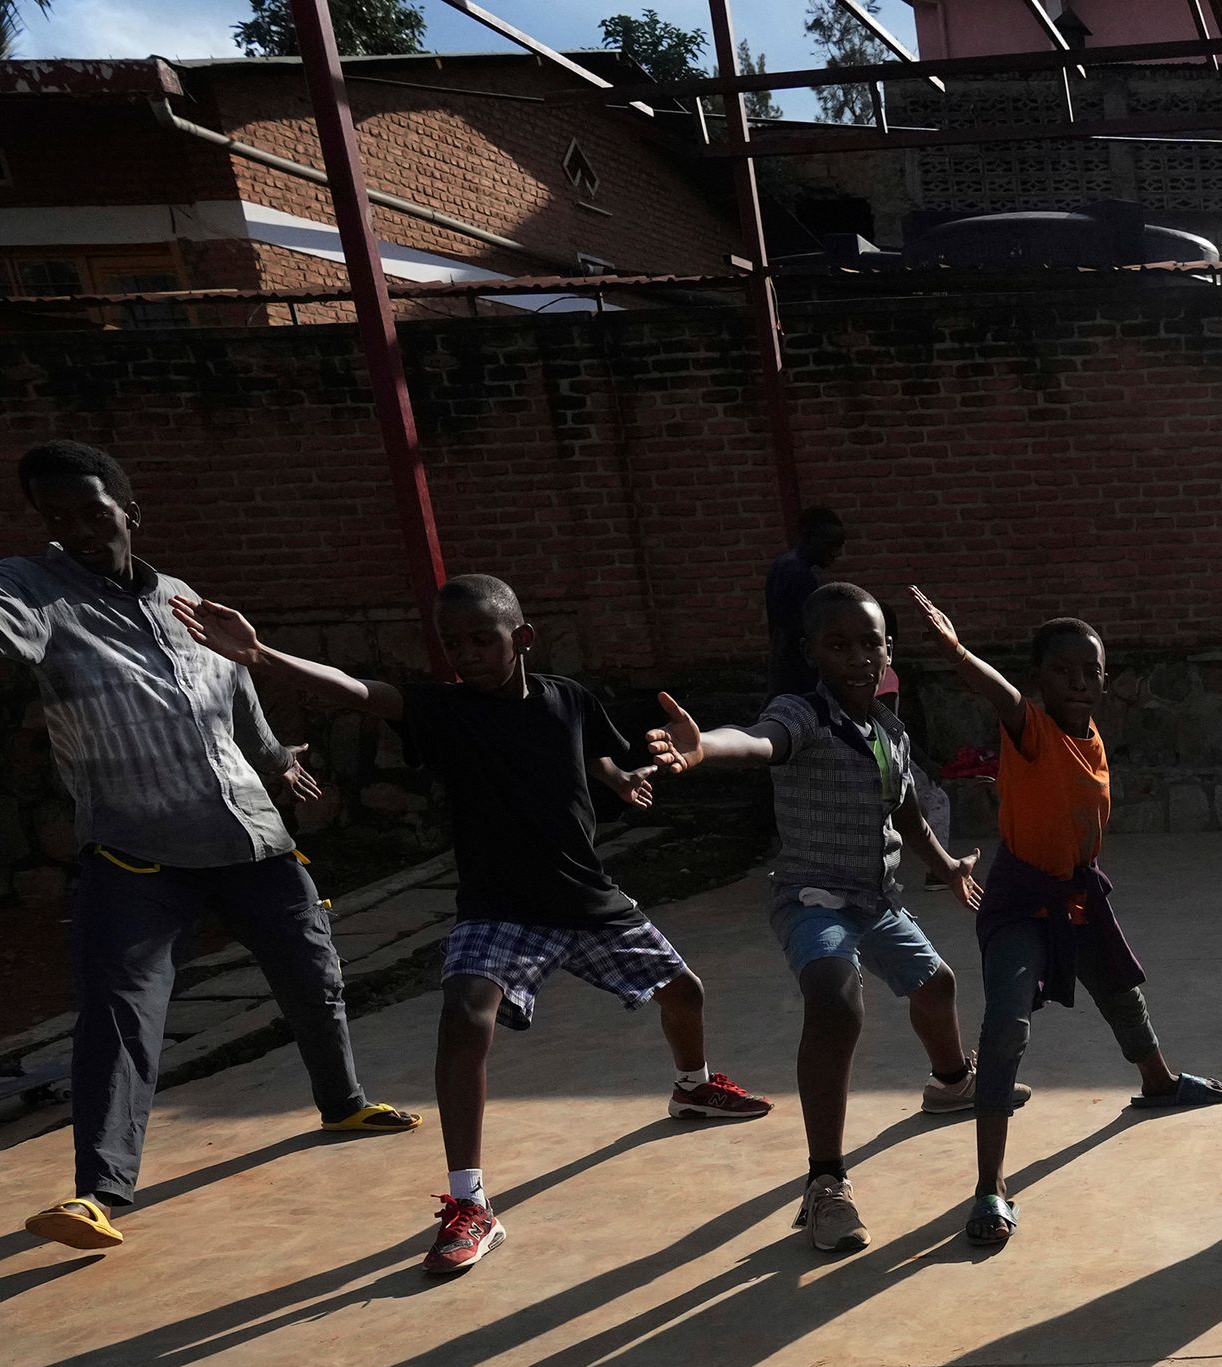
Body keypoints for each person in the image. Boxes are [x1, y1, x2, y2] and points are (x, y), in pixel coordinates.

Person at [0, 439, 415, 1255]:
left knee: (313, 977)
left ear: (129, 511)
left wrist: (277, 758)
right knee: (119, 1019)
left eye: (92, 512)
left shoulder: (180, 594)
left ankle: (344, 1101)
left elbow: (233, 678)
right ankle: (98, 1194)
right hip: (136, 851)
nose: (77, 528)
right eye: (58, 517)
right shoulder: (33, 593)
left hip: (250, 840)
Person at [175, 573, 770, 1281]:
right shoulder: (443, 711)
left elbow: (586, 746)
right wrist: (262, 656)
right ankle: (470, 1204)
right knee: (464, 1014)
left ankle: (693, 1086)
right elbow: (361, 691)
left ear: (521, 639)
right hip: (499, 908)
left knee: (685, 992)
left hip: (585, 897)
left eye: (482, 640)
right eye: (452, 643)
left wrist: (616, 777)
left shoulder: (568, 696)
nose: (466, 655)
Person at [650, 582, 980, 1254]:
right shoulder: (802, 715)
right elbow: (760, 742)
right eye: (839, 644)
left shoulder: (889, 730)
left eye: (870, 642)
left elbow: (908, 809)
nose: (857, 657)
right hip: (812, 897)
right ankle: (826, 1182)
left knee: (936, 987)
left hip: (878, 898)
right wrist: (706, 747)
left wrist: (946, 866)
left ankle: (951, 1083)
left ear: (887, 651)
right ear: (812, 653)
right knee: (835, 1001)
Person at [903, 589, 1222, 1250]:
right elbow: (997, 694)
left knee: (1120, 990)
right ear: (1038, 680)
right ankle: (991, 1185)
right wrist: (957, 652)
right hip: (1021, 899)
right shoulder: (1032, 729)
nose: (1079, 681)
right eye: (1062, 671)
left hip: (1077, 893)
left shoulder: (1092, 737)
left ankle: (1159, 1083)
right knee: (1005, 1025)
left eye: (1092, 671)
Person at [763, 506, 847, 699]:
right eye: (832, 544)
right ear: (811, 538)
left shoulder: (781, 565)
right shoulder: (800, 576)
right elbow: (800, 631)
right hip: (797, 674)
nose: (836, 553)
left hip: (781, 667)